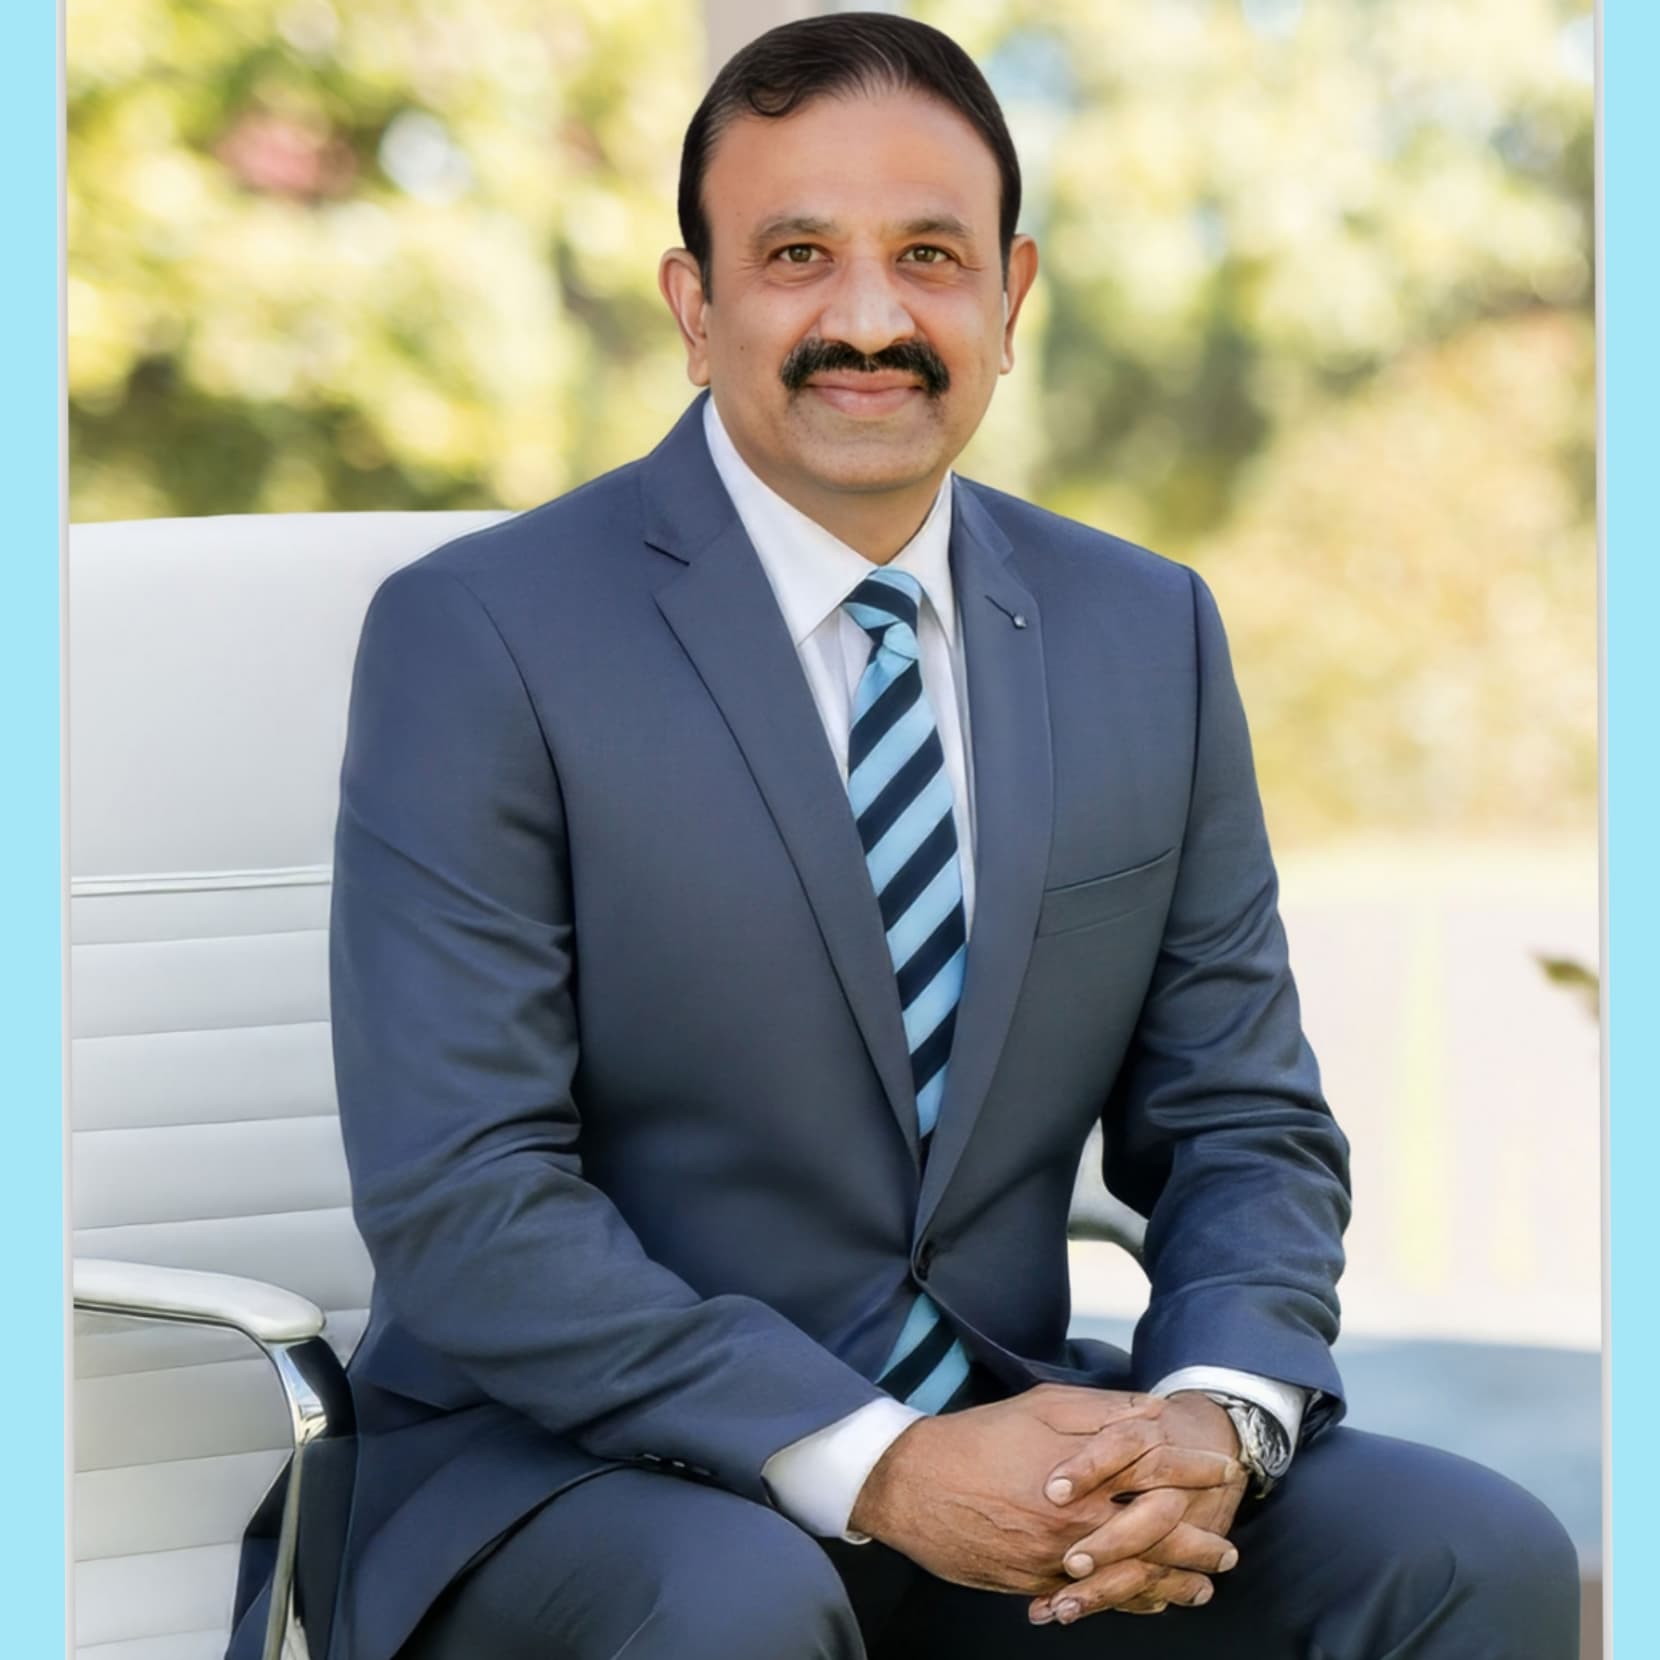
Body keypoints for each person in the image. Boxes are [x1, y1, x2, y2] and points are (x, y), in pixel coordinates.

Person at [225, 13, 1580, 1660]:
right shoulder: (482, 636)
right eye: (797, 254)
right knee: (743, 1604)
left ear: (1010, 301)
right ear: (695, 304)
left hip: (1020, 1442)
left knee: (1467, 1551)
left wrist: (1214, 1421)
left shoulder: (1143, 631)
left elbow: (1244, 1125)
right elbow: (468, 1202)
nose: (869, 319)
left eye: (928, 257)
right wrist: (884, 1468)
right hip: (567, 1482)